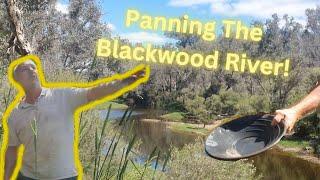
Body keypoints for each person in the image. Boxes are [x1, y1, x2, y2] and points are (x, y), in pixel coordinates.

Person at [4, 60, 147, 180]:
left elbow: (94, 92)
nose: (31, 70)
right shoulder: (15, 114)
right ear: (16, 79)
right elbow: (12, 149)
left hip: (65, 176)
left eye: (33, 67)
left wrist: (123, 83)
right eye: (24, 68)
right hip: (28, 177)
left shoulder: (63, 96)